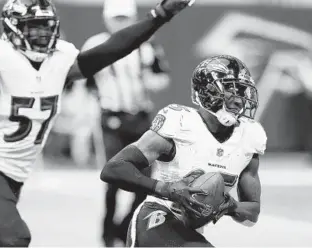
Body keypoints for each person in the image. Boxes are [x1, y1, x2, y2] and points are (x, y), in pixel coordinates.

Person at [0, 0, 195, 246]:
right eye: (34, 27)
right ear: (13, 29)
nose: (43, 34)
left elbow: (113, 49)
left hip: (10, 181)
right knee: (16, 237)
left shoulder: (60, 60)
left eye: (47, 27)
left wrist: (160, 15)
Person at [100, 55, 267, 247]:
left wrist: (231, 206)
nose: (239, 100)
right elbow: (113, 169)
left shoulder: (249, 137)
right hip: (156, 217)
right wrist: (166, 189)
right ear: (208, 90)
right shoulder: (180, 123)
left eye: (243, 92)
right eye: (231, 90)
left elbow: (252, 213)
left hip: (189, 230)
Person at [77, 0, 171, 245]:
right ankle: (108, 233)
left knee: (145, 180)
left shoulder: (148, 45)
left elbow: (162, 78)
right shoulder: (95, 44)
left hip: (140, 118)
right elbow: (85, 84)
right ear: (106, 18)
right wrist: (85, 119)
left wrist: (149, 80)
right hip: (110, 119)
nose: (120, 22)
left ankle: (123, 227)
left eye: (124, 18)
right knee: (113, 179)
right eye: (116, 18)